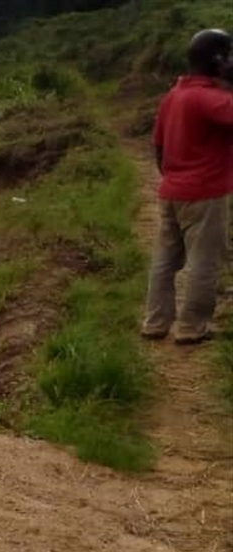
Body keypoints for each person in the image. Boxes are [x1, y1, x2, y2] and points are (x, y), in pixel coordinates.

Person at [141, 28, 233, 345]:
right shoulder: (212, 99)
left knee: (165, 259)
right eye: (229, 54)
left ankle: (155, 322)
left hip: (172, 190)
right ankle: (192, 328)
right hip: (204, 194)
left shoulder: (174, 94)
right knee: (202, 262)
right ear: (218, 60)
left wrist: (170, 177)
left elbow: (158, 145)